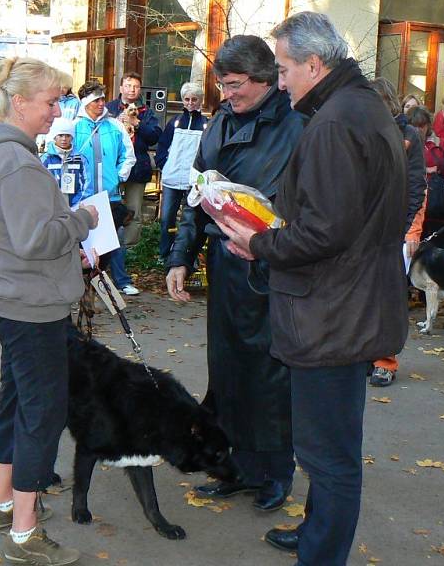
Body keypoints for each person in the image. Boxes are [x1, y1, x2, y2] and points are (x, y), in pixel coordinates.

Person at [216, 12, 408, 565]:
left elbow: (323, 231)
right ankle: (316, 532)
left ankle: (321, 554)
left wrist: (258, 243)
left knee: (328, 454)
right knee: (326, 448)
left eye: (282, 70)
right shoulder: (359, 108)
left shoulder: (335, 122)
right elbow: (346, 218)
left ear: (314, 64)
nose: (280, 82)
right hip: (345, 303)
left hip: (331, 312)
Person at [0, 56, 98, 566]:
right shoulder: (17, 161)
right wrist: (81, 221)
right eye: (50, 101)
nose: (56, 111)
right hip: (31, 307)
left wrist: (63, 227)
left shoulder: (1, 152)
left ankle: (4, 504)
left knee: (17, 403)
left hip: (12, 299)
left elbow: (21, 230)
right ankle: (25, 531)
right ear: (19, 102)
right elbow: (34, 239)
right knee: (41, 415)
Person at [166, 35, 305, 514]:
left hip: (272, 267)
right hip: (225, 266)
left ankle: (274, 471)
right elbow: (197, 190)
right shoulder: (221, 122)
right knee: (226, 371)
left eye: (233, 85)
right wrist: (180, 256)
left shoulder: (299, 124)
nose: (226, 94)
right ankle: (237, 466)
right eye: (221, 85)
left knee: (268, 376)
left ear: (265, 78)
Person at [368, 77, 426, 387]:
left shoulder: (408, 136)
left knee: (387, 299)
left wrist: (403, 228)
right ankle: (364, 354)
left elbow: (417, 184)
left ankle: (384, 361)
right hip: (360, 229)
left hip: (391, 230)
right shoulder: (361, 131)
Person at [105, 73, 162, 295]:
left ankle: (126, 254)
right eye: (128, 85)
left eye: (135, 86)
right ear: (120, 87)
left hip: (137, 170)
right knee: (110, 213)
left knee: (134, 214)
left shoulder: (146, 112)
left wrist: (136, 123)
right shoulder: (108, 108)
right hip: (112, 170)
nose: (131, 90)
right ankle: (109, 256)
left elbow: (155, 136)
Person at [72, 79, 135, 274]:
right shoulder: (74, 126)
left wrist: (119, 176)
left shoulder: (115, 125)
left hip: (109, 197)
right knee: (82, 247)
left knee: (105, 249)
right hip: (82, 198)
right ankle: (81, 293)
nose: (101, 104)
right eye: (96, 100)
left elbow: (128, 154)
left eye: (102, 99)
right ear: (85, 103)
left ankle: (101, 286)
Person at [155, 83, 207, 261]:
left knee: (191, 221)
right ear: (183, 101)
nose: (191, 103)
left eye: (194, 99)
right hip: (171, 179)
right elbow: (162, 146)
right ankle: (165, 254)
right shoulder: (175, 122)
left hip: (193, 182)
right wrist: (164, 165)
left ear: (200, 101)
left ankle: (187, 256)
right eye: (187, 99)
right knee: (167, 220)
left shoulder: (206, 125)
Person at [409, 106, 444, 248]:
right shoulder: (405, 143)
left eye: (421, 126)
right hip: (414, 201)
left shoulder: (440, 143)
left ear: (428, 125)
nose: (418, 130)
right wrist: (426, 170)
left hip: (437, 204)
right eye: (414, 126)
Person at [41, 117, 86, 207]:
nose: (64, 139)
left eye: (67, 135)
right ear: (54, 137)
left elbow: (86, 184)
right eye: (60, 135)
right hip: (52, 208)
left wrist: (76, 205)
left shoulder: (80, 159)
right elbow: (40, 185)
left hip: (75, 207)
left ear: (72, 137)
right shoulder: (46, 159)